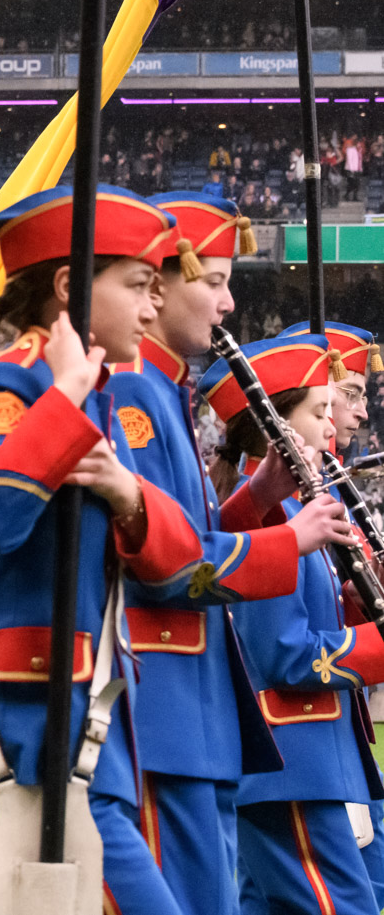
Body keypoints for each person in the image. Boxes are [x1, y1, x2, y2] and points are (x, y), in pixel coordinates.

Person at [0, 186, 227, 915]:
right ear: (68, 285)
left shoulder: (93, 395)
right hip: (25, 739)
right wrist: (62, 398)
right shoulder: (17, 380)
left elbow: (179, 555)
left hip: (81, 740)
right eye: (135, 286)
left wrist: (128, 496)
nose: (151, 308)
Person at [103, 193, 352, 913]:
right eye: (211, 279)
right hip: (164, 709)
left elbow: (185, 530)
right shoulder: (131, 391)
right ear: (159, 284)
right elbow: (163, 559)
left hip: (196, 716)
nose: (227, 299)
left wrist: (257, 500)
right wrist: (287, 538)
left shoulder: (162, 389)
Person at [201, 335, 384, 914]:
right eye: (319, 411)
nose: (333, 427)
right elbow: (284, 654)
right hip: (293, 761)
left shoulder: (290, 512)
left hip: (309, 761)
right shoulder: (273, 518)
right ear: (276, 425)